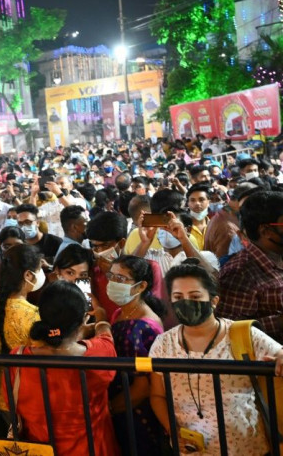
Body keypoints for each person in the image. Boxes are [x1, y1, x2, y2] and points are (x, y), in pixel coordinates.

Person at [150, 261, 283, 455]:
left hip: (247, 447)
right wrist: (172, 429)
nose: (186, 302)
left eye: (195, 296)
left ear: (214, 301)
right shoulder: (162, 344)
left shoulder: (241, 334)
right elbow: (157, 395)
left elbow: (280, 351)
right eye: (178, 297)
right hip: (192, 449)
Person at [5, 281, 119, 455]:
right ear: (84, 318)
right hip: (93, 448)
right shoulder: (98, 353)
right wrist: (101, 318)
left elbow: (10, 402)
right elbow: (105, 336)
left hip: (42, 449)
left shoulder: (18, 359)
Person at [105, 256, 167, 456]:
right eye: (111, 276)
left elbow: (143, 387)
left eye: (121, 279)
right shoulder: (120, 313)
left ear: (141, 287)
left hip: (136, 415)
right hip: (121, 408)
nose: (113, 283)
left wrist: (108, 410)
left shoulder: (143, 327)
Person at [0, 245, 43, 420]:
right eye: (39, 269)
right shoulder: (32, 314)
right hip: (26, 394)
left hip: (1, 392)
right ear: (28, 275)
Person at [217, 191, 283, 342]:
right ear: (266, 231)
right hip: (268, 361)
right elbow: (229, 332)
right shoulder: (239, 273)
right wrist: (279, 322)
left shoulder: (278, 255)